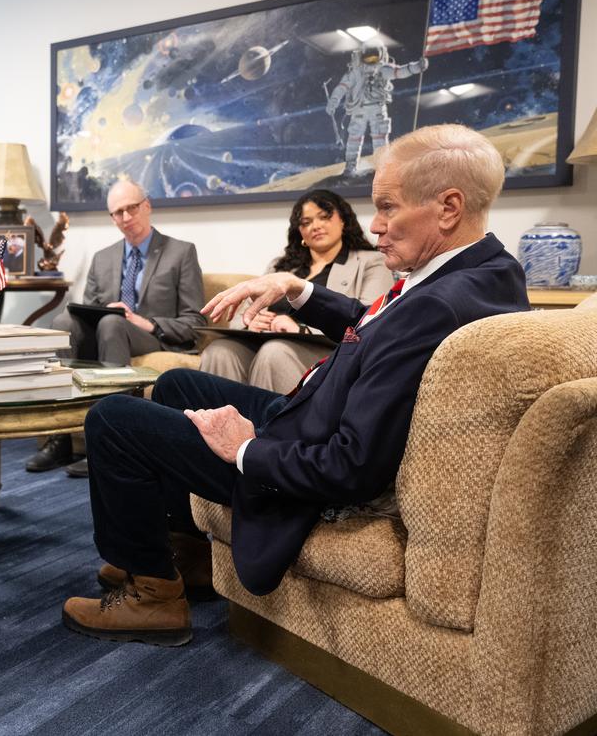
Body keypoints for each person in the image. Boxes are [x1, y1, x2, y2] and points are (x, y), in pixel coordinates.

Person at [62, 124, 529, 647]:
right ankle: (185, 556)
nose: (375, 226)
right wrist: (297, 289)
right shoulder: (486, 269)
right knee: (176, 384)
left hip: (307, 463)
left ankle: (151, 596)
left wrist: (245, 450)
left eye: (388, 208)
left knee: (111, 420)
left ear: (448, 207)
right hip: (312, 420)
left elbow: (350, 467)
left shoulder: (436, 303)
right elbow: (378, 329)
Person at [27, 179, 205, 476]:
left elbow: (195, 323)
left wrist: (143, 322)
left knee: (112, 323)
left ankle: (113, 440)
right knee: (63, 323)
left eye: (131, 209)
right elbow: (86, 313)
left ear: (146, 206)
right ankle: (60, 438)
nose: (125, 218)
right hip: (107, 333)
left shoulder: (181, 252)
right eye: (117, 213)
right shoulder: (103, 258)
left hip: (151, 336)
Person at [199, 189, 391, 392]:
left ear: (343, 220)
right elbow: (240, 315)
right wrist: (251, 321)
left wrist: (301, 329)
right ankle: (214, 423)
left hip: (329, 350)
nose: (315, 226)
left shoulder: (371, 262)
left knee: (274, 352)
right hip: (266, 342)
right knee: (219, 351)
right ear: (300, 232)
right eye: (306, 222)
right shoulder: (279, 267)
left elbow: (370, 320)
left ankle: (269, 424)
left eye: (324, 217)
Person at [326, 44, 428, 176]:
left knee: (379, 139)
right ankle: (351, 166)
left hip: (377, 109)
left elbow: (400, 71)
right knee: (354, 138)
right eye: (368, 58)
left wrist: (416, 67)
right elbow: (342, 88)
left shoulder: (383, 69)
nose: (371, 61)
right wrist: (333, 103)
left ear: (380, 56)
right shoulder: (356, 72)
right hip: (360, 109)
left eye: (374, 58)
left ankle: (381, 167)